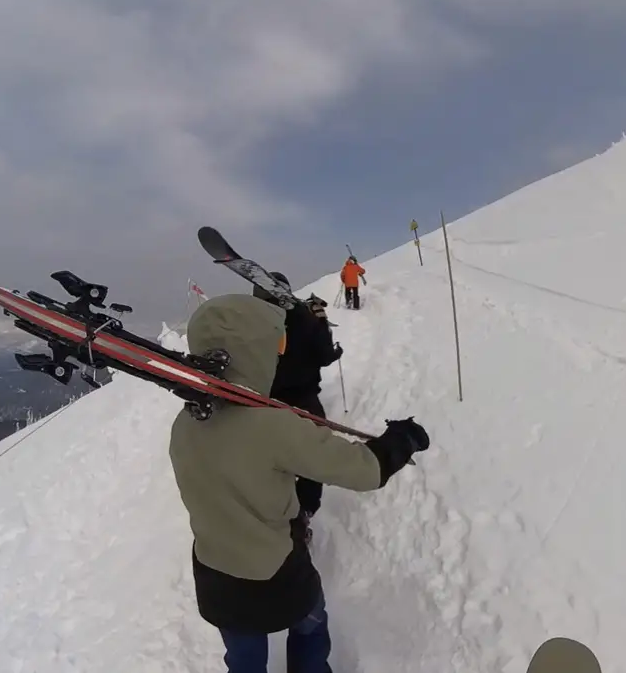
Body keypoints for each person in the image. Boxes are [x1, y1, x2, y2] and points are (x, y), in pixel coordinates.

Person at [168, 293, 430, 673]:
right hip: (275, 572)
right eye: (274, 343)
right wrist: (400, 443)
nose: (278, 354)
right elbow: (362, 469)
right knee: (310, 625)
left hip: (214, 574)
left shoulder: (186, 423)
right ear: (250, 348)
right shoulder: (272, 428)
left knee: (243, 659)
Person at [251, 272, 343, 539]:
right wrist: (324, 328)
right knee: (313, 457)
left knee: (269, 460)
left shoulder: (253, 323)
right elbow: (325, 356)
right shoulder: (306, 319)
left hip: (260, 402)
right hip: (302, 401)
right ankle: (302, 514)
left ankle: (269, 512)